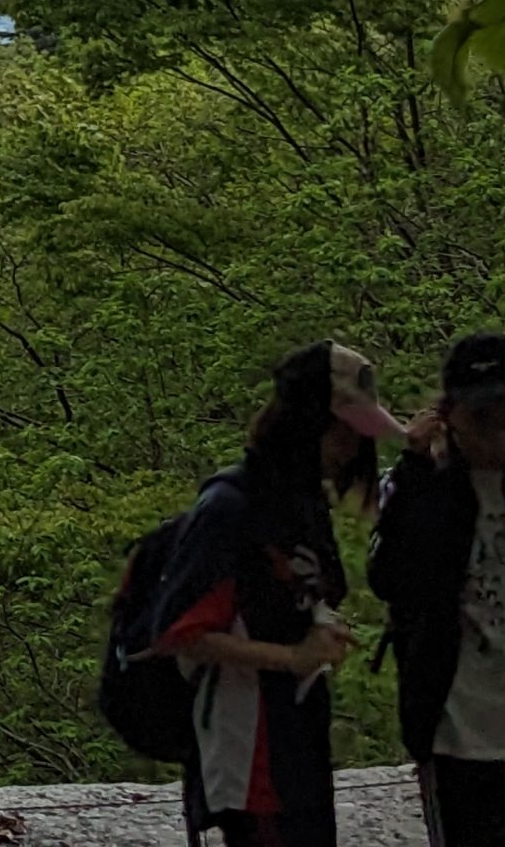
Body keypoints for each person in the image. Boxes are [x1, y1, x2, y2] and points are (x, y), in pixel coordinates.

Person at [149, 341, 404, 847]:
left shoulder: (302, 503)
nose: (353, 447)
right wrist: (292, 657)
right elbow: (180, 632)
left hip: (298, 741)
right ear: (305, 423)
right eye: (344, 431)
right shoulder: (230, 507)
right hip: (249, 753)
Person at [368, 331, 505, 847]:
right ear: (449, 417)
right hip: (458, 729)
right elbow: (388, 577)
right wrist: (415, 467)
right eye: (483, 418)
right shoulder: (428, 488)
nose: (499, 435)